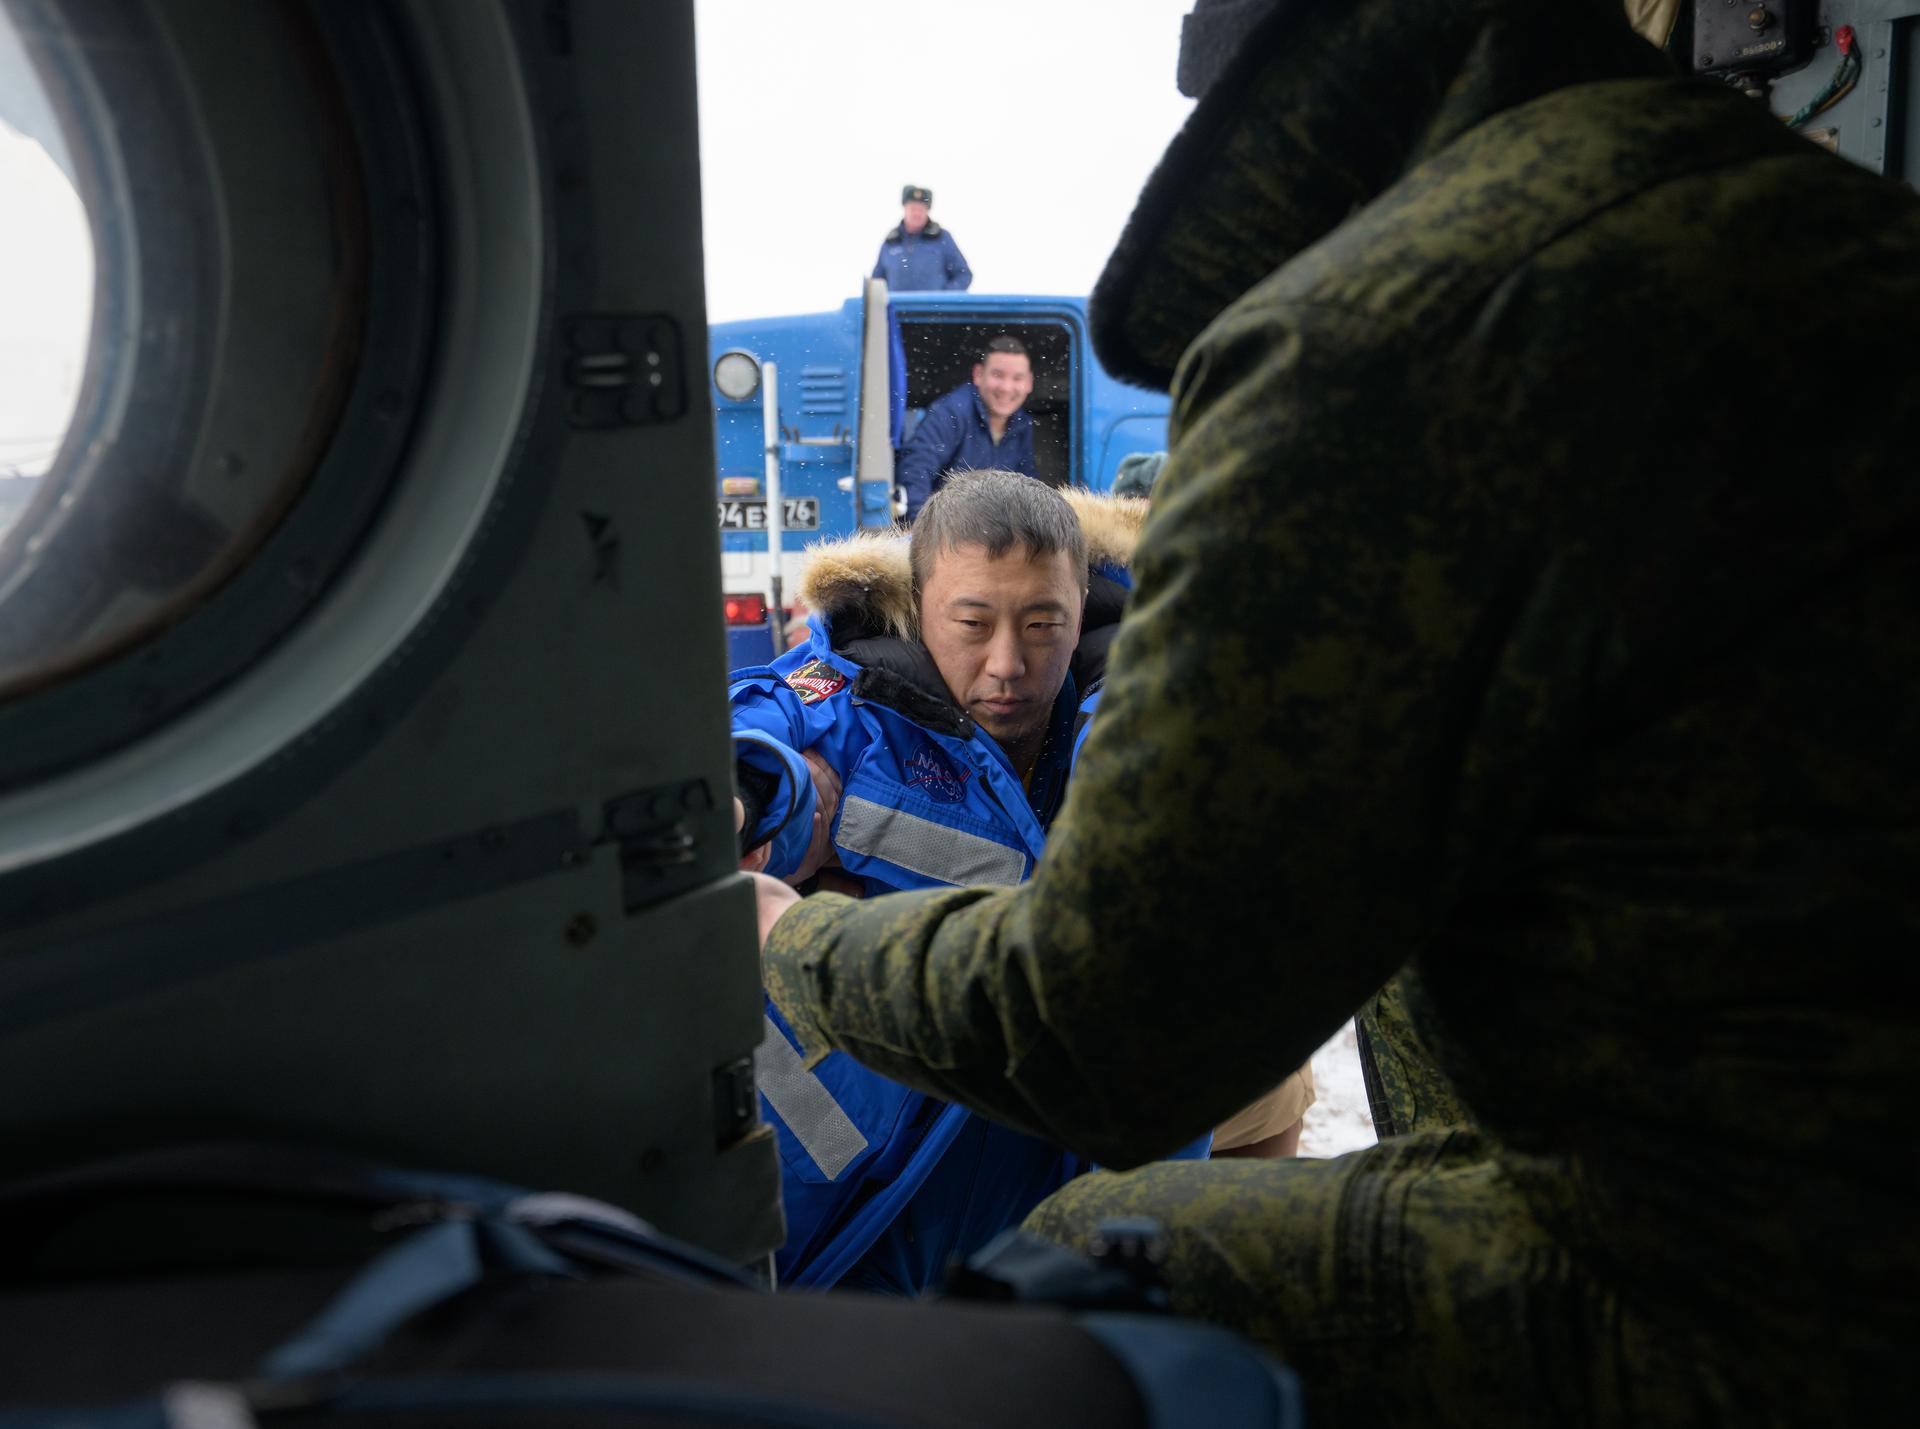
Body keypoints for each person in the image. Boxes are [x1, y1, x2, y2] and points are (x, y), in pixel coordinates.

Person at [748, 0, 1920, 1421]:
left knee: (1096, 1270)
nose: (1009, 660)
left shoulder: (1374, 343)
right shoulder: (1821, 224)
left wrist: (800, 940)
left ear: (1296, 114)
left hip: (1783, 1298)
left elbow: (1105, 1032)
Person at [731, 471, 1207, 1294]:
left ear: (1082, 602)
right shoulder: (850, 698)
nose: (1008, 663)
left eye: (1042, 623)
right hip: (841, 1193)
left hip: (1061, 1197)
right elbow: (764, 741)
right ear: (918, 605)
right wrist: (748, 795)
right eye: (972, 623)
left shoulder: (1147, 699)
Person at [895, 336, 1037, 521]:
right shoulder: (952, 411)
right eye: (998, 375)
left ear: (1029, 383)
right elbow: (915, 469)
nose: (1006, 387)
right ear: (978, 374)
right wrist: (919, 525)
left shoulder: (1022, 424)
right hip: (947, 531)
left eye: (1017, 378)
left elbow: (1028, 489)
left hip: (991, 534)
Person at [872, 184, 971, 292]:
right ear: (905, 208)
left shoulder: (942, 238)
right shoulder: (891, 242)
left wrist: (943, 299)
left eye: (921, 209)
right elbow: (876, 282)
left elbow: (963, 275)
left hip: (933, 309)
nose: (917, 214)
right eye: (913, 208)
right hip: (896, 308)